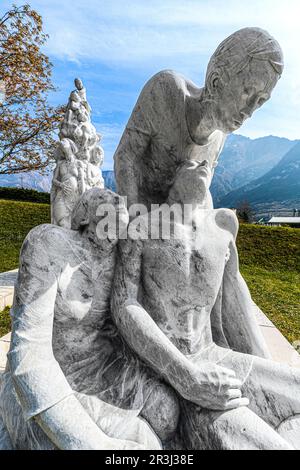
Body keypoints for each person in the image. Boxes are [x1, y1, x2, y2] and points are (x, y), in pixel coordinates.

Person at [111, 160, 300, 450]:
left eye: (208, 157)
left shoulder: (223, 225)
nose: (202, 160)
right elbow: (124, 304)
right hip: (170, 367)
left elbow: (236, 297)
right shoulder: (141, 228)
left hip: (215, 354)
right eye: (191, 156)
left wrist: (262, 360)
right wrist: (185, 376)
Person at [0, 188, 165, 450]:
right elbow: (29, 352)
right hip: (46, 376)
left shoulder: (121, 258)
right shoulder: (49, 243)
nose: (113, 231)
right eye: (106, 217)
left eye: (119, 222)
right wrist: (93, 443)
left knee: (163, 416)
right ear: (86, 215)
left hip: (99, 371)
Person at [114, 27, 283, 209]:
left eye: (260, 101)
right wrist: (135, 217)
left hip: (173, 222)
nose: (249, 111)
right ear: (215, 81)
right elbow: (126, 156)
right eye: (247, 91)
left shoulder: (219, 137)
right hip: (137, 215)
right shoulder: (166, 90)